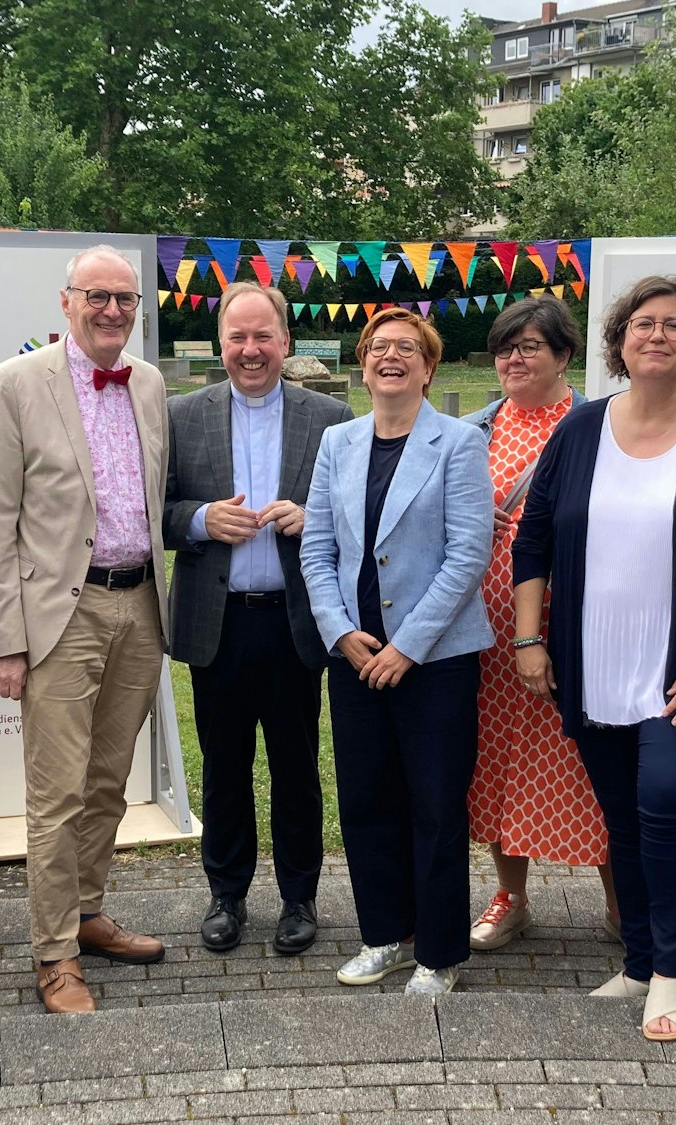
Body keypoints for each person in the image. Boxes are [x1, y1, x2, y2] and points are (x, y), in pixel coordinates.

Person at [510, 275, 676, 1042]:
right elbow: (535, 540)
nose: (656, 335)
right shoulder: (581, 430)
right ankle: (635, 961)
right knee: (623, 818)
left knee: (665, 796)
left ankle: (671, 970)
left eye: (674, 325)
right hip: (592, 665)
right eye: (642, 324)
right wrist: (530, 639)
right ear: (619, 341)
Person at [0, 245, 170, 1014]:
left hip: (140, 607)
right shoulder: (14, 385)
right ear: (66, 302)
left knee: (108, 783)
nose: (113, 310)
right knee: (55, 794)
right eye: (98, 296)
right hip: (61, 614)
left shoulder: (149, 384)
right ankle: (53, 953)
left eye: (125, 299)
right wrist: (5, 639)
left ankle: (87, 910)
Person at [299, 307, 492, 997]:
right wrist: (340, 631)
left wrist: (406, 646)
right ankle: (385, 935)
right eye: (379, 346)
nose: (391, 356)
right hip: (355, 657)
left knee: (436, 804)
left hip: (434, 660)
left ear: (429, 366)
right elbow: (316, 548)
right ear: (362, 361)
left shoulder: (461, 442)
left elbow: (469, 554)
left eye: (407, 347)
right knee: (366, 799)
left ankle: (440, 952)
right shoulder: (338, 442)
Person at [164, 282, 353, 955]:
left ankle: (300, 897)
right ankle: (227, 894)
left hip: (294, 620)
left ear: (285, 342)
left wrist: (315, 519)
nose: (250, 350)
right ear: (222, 344)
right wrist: (199, 518)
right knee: (224, 765)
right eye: (238, 338)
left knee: (297, 766)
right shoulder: (181, 414)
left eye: (262, 336)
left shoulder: (329, 416)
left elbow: (354, 511)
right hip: (217, 620)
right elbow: (154, 511)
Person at [458, 296, 615, 952]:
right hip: (486, 638)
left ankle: (621, 905)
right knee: (491, 766)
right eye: (504, 347)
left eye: (528, 346)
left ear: (563, 355)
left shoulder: (598, 426)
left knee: (594, 766)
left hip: (574, 633)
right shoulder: (475, 429)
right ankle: (510, 897)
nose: (513, 358)